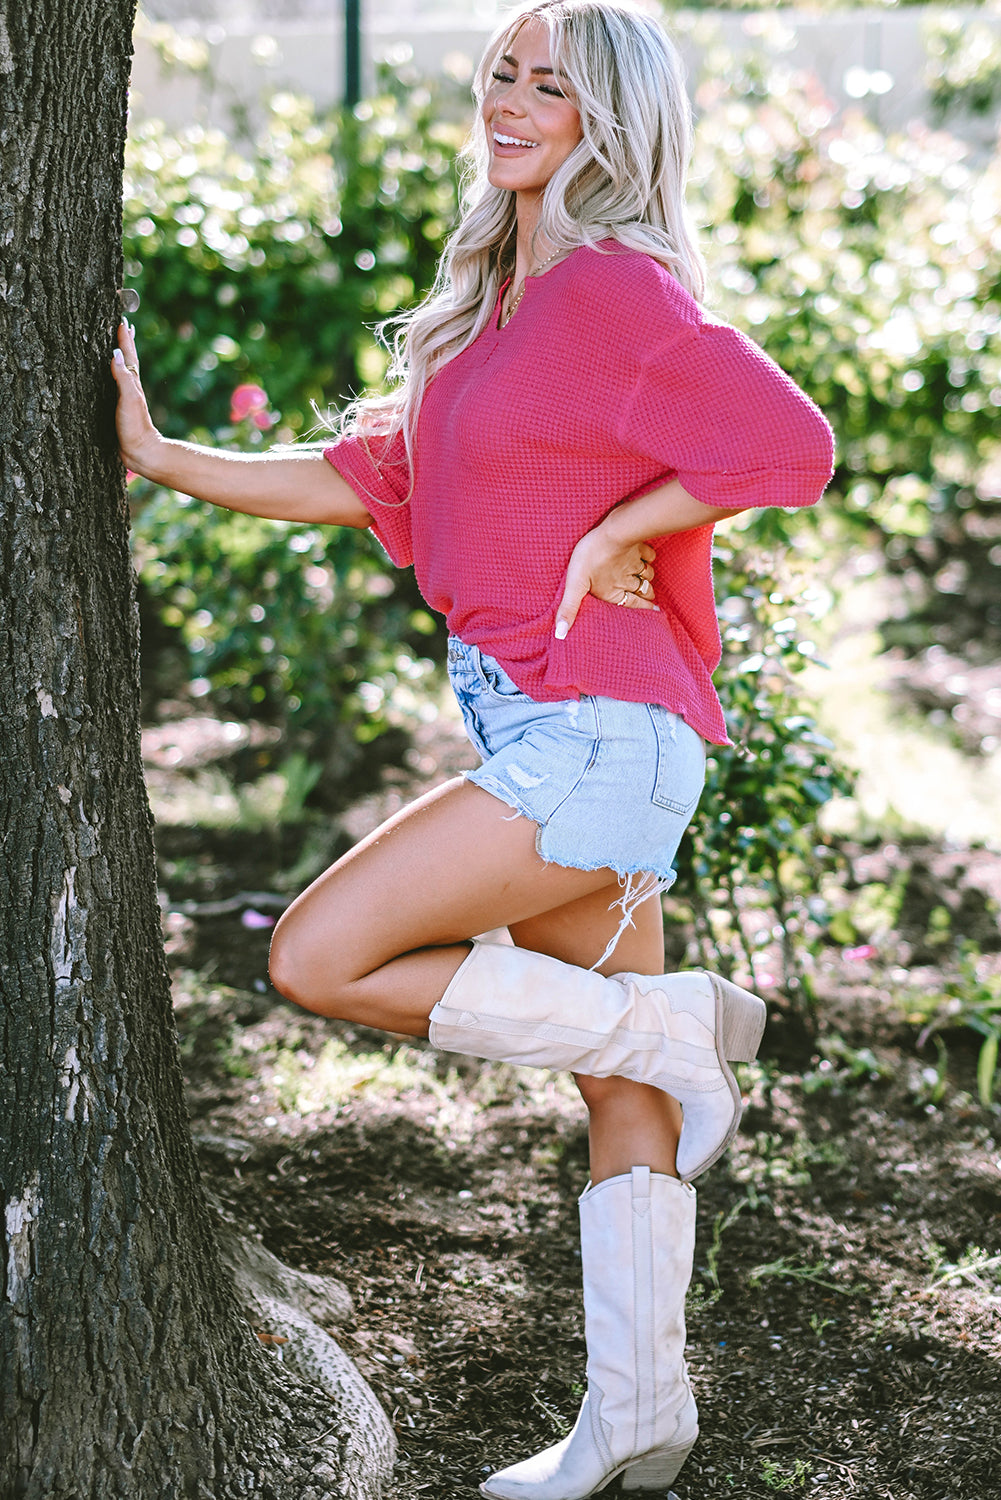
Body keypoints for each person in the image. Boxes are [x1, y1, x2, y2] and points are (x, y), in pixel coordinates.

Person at [112, 2, 834, 1494]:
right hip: (564, 728)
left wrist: (619, 534)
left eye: (547, 84)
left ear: (611, 119)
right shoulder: (493, 306)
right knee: (619, 1091)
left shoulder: (618, 291)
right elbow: (361, 475)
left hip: (596, 732)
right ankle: (635, 1414)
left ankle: (674, 1027)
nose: (509, 101)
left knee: (316, 959)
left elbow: (789, 448)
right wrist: (164, 456)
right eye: (499, 73)